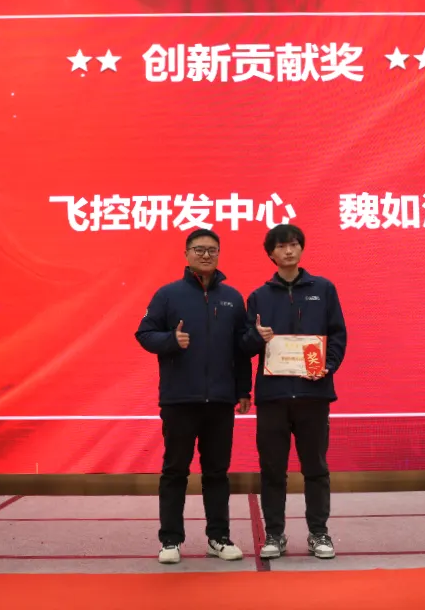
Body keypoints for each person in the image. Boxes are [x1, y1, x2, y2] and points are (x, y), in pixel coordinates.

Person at [135, 228, 253, 565]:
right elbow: (144, 333)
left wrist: (243, 390)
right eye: (199, 249)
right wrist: (170, 341)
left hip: (220, 401)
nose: (205, 255)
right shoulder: (167, 295)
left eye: (212, 250)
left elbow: (241, 350)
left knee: (217, 472)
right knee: (175, 471)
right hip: (179, 400)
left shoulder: (233, 298)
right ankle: (170, 540)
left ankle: (218, 537)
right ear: (186, 255)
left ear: (219, 254)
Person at [243, 224, 347, 560]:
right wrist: (256, 337)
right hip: (272, 397)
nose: (288, 251)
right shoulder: (258, 297)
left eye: (294, 244)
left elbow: (338, 334)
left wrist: (329, 365)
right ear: (270, 254)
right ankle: (275, 534)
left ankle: (319, 533)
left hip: (313, 394)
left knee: (315, 467)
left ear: (301, 248)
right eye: (281, 246)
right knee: (272, 469)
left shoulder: (323, 289)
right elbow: (243, 346)